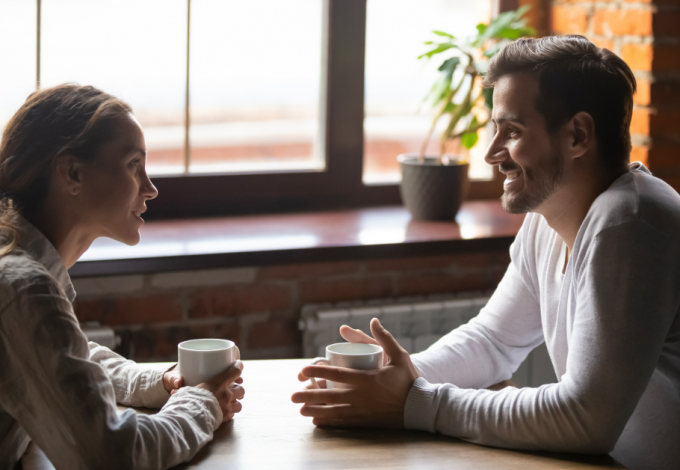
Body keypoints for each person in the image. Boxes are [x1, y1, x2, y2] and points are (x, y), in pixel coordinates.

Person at [292, 35, 680, 470]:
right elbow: (493, 341)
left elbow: (586, 417)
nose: (492, 154)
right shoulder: (548, 218)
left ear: (577, 135)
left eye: (511, 132)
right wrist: (395, 379)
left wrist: (414, 402)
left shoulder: (630, 221)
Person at [0, 84, 245, 469]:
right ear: (72, 173)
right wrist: (202, 403)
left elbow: (59, 360)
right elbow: (112, 453)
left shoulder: (18, 264)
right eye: (134, 164)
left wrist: (161, 383)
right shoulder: (22, 286)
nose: (150, 188)